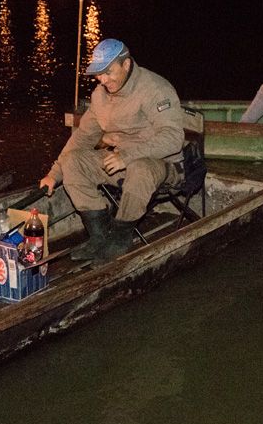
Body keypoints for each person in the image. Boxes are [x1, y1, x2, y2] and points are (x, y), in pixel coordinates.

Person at [39, 38, 184, 263]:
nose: (103, 80)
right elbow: (82, 138)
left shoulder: (155, 89)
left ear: (126, 64)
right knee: (73, 162)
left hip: (162, 165)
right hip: (120, 162)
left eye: (108, 72)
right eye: (99, 74)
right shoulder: (100, 96)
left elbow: (173, 138)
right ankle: (99, 236)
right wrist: (53, 174)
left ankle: (120, 238)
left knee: (140, 169)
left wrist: (126, 157)